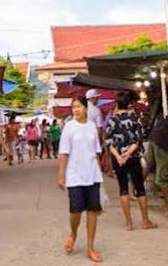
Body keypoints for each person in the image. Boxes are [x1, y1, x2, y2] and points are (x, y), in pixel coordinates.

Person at [58, 96, 104, 263]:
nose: (76, 110)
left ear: (86, 108)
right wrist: (61, 175)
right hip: (74, 175)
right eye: (73, 107)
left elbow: (96, 152)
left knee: (92, 211)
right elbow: (64, 153)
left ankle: (90, 247)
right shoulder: (69, 127)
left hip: (92, 174)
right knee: (76, 211)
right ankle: (73, 233)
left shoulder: (92, 126)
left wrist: (100, 173)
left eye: (78, 106)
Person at [105, 92, 157, 231]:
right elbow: (138, 139)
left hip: (119, 159)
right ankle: (145, 221)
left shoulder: (112, 120)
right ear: (129, 104)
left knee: (123, 189)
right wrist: (128, 154)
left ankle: (128, 223)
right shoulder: (135, 118)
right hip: (133, 157)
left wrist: (119, 156)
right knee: (140, 188)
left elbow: (109, 142)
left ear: (117, 104)